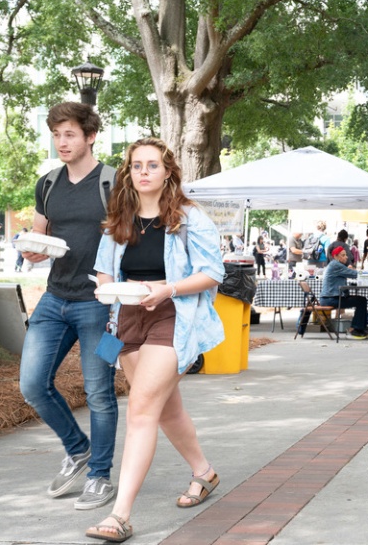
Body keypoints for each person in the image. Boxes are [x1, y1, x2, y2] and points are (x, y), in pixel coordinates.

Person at [85, 137, 225, 542]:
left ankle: (120, 515)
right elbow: (106, 273)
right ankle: (204, 472)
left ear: (168, 172)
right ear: (128, 172)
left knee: (141, 411)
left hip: (172, 315)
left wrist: (167, 289)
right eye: (136, 166)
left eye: (152, 165)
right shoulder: (119, 220)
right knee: (165, 410)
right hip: (126, 318)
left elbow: (212, 273)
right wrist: (106, 290)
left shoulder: (189, 218)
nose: (143, 172)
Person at [18, 102, 119, 511]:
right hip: (55, 299)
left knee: (99, 392)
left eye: (70, 134)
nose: (62, 141)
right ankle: (78, 450)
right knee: (31, 385)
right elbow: (41, 237)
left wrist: (120, 299)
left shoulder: (114, 183)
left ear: (90, 136)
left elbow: (130, 236)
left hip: (98, 303)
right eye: (57, 134)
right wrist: (34, 250)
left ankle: (100, 475)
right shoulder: (47, 184)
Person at [320, 245, 368, 339]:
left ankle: (361, 328)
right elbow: (354, 274)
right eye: (343, 255)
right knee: (361, 301)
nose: (346, 257)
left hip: (330, 297)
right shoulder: (335, 265)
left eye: (346, 255)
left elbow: (349, 273)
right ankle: (355, 329)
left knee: (361, 300)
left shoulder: (335, 265)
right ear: (336, 256)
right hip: (330, 299)